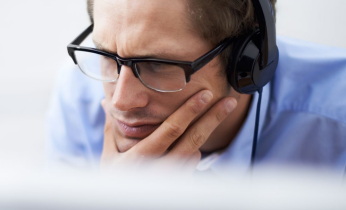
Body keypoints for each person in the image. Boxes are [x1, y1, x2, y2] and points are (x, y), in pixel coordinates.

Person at [47, 0, 346, 177]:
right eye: (106, 55)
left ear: (247, 62)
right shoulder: (79, 95)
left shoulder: (336, 117)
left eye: (157, 65)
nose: (122, 102)